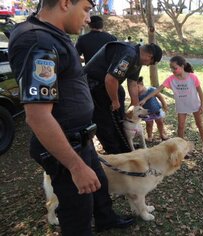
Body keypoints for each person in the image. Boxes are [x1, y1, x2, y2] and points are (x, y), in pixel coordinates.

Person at [8, 0, 134, 235]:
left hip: (80, 138)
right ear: (66, 3)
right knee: (77, 213)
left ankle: (106, 219)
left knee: (99, 184)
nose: (88, 18)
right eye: (86, 9)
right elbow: (37, 116)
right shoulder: (38, 42)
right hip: (65, 146)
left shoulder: (53, 35)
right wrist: (75, 167)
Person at [84, 41, 162, 154]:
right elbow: (110, 79)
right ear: (150, 56)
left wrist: (135, 105)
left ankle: (123, 144)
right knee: (106, 122)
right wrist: (114, 101)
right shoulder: (129, 53)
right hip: (93, 86)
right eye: (150, 63)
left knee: (120, 113)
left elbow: (132, 82)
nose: (147, 65)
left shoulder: (137, 58)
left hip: (108, 85)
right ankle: (115, 151)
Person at [139, 55, 203, 154]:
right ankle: (181, 147)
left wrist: (202, 105)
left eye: (174, 68)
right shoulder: (171, 79)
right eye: (171, 68)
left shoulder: (192, 77)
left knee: (199, 124)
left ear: (182, 66)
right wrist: (145, 99)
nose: (172, 70)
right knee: (180, 126)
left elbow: (200, 92)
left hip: (194, 105)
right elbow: (158, 89)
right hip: (181, 106)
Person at [137, 76, 169, 142]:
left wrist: (164, 105)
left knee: (160, 123)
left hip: (156, 110)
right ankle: (149, 136)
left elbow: (160, 97)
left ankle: (162, 134)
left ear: (141, 84)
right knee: (149, 124)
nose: (136, 90)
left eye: (137, 87)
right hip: (147, 113)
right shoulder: (137, 95)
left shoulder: (151, 90)